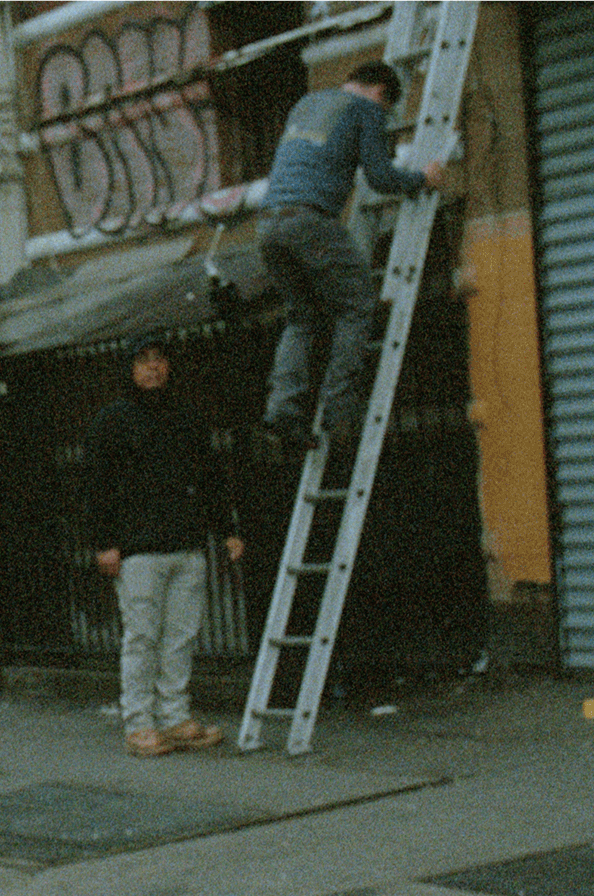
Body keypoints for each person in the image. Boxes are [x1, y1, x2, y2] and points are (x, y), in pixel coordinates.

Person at [259, 59, 446, 451]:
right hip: (309, 220)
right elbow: (380, 178)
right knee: (358, 303)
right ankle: (339, 409)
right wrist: (421, 180)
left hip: (269, 223)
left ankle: (283, 410)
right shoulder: (366, 110)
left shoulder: (307, 104)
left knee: (302, 317)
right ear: (380, 93)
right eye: (386, 105)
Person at [86, 340, 244, 757]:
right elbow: (97, 486)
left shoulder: (187, 417)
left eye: (159, 360)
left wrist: (225, 529)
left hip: (186, 545)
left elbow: (209, 474)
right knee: (142, 637)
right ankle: (139, 723)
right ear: (129, 370)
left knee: (181, 636)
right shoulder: (111, 421)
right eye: (143, 361)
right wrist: (104, 543)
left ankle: (174, 717)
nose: (153, 368)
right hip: (138, 551)